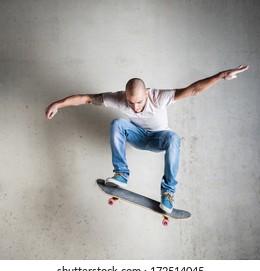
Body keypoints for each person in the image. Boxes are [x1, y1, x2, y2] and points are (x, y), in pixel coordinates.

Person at [45, 65, 249, 213]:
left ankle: (168, 193)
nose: (134, 107)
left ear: (147, 94)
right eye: (130, 103)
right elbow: (87, 98)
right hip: (137, 136)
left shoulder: (159, 97)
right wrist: (58, 104)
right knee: (117, 123)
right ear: (124, 95)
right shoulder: (118, 98)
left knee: (173, 137)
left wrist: (221, 75)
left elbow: (193, 90)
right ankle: (121, 174)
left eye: (139, 102)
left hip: (159, 139)